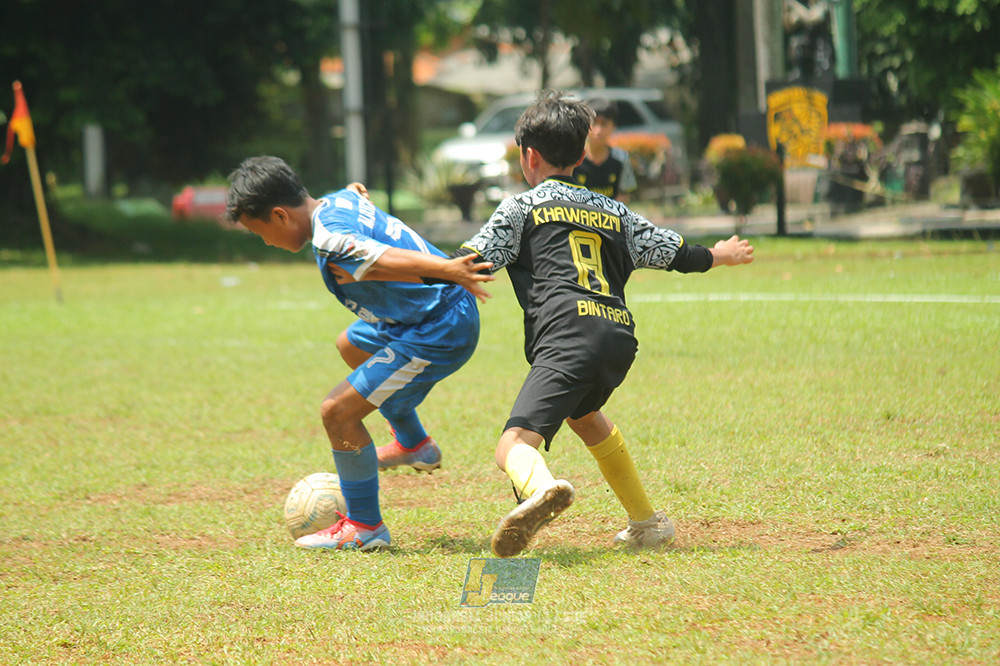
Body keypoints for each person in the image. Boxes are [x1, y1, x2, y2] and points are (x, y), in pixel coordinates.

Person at [454, 91, 754, 557]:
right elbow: (676, 254)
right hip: (617, 336)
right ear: (580, 154)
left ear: (528, 156)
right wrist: (722, 255)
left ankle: (541, 492)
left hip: (567, 335)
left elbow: (468, 263)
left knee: (512, 444)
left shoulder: (521, 209)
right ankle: (647, 524)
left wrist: (407, 261)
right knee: (585, 416)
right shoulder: (615, 212)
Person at [225, 156, 492, 551]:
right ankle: (414, 444)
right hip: (421, 315)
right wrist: (355, 192)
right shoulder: (336, 202)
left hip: (438, 327)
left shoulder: (329, 239)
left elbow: (382, 261)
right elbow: (358, 211)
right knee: (351, 345)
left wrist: (448, 269)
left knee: (338, 412)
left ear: (280, 215)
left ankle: (365, 528)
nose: (265, 242)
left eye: (259, 231)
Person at [572, 98, 638, 203]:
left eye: (604, 124)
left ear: (614, 126)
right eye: (594, 123)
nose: (598, 131)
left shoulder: (621, 158)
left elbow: (624, 194)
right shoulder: (573, 157)